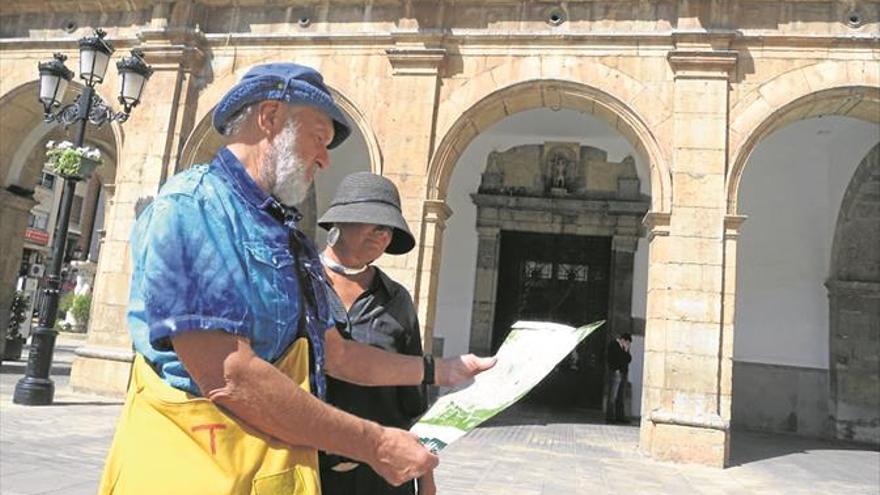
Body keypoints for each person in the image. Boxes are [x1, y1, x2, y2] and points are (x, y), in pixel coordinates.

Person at [98, 63, 495, 495]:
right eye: (318, 138)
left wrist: (444, 370)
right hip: (194, 471)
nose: (325, 159)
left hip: (267, 472)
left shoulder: (286, 235)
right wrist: (376, 443)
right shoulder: (194, 208)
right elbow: (230, 374)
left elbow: (338, 355)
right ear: (269, 118)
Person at [316, 172, 435, 495]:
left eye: (389, 228)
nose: (383, 235)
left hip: (381, 477)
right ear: (341, 219)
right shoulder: (299, 283)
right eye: (374, 222)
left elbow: (413, 400)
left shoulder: (397, 299)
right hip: (306, 469)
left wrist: (426, 477)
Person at [605, 332, 632, 424]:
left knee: (621, 396)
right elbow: (614, 358)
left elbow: (628, 359)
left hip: (623, 373)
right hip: (615, 372)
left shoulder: (624, 349)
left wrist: (626, 350)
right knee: (612, 395)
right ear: (623, 340)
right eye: (627, 343)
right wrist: (616, 368)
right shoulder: (613, 345)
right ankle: (610, 417)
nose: (628, 345)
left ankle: (620, 416)